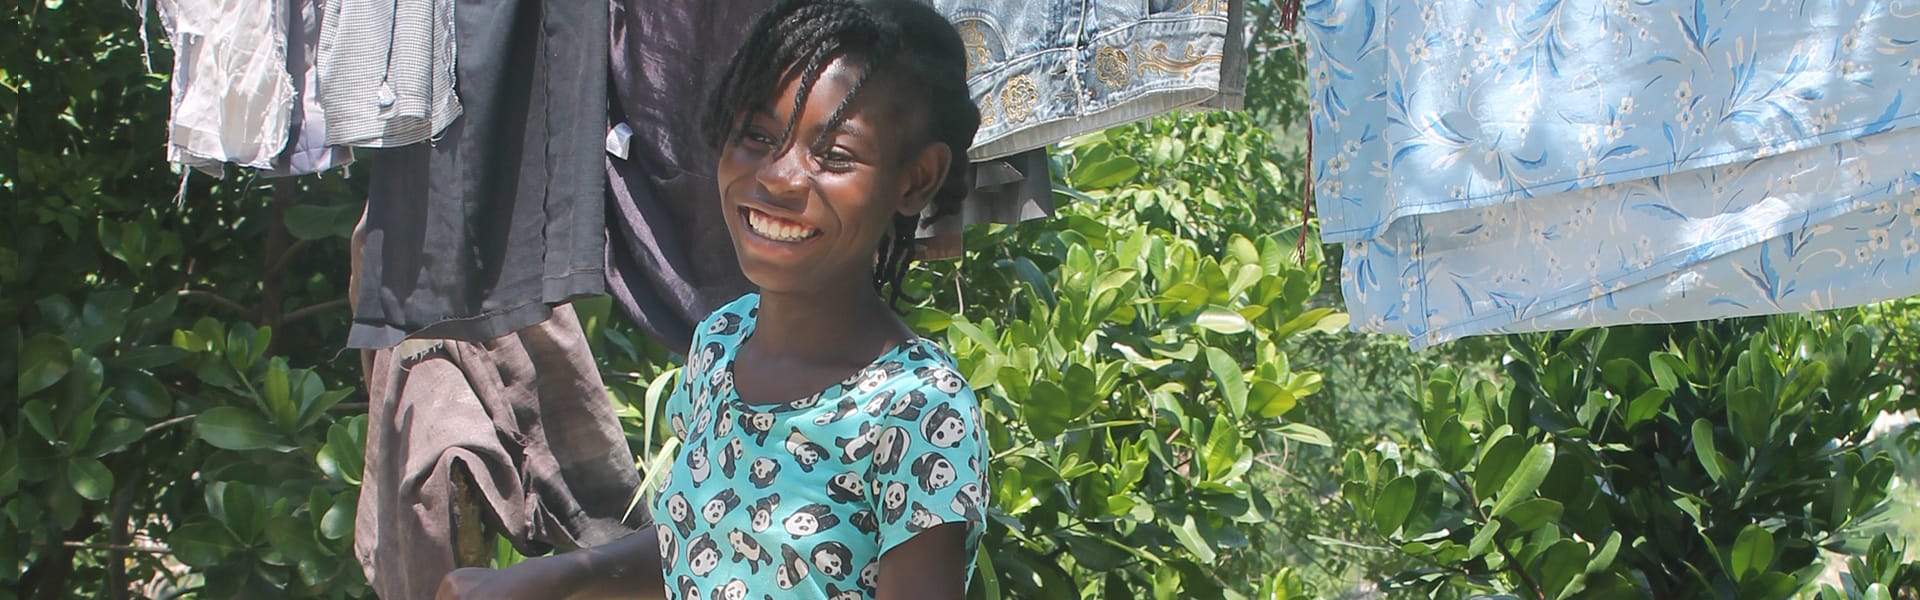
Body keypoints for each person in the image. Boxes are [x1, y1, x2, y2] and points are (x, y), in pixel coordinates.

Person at [435, 0, 988, 598]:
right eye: (757, 135)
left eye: (833, 156)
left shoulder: (919, 413)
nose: (779, 178)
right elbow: (700, 541)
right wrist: (546, 579)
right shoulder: (722, 343)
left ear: (917, 179)